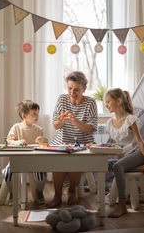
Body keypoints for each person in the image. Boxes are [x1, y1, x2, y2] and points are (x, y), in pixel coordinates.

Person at [46, 71, 97, 208]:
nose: (72, 92)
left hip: (82, 141)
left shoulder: (90, 103)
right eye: (69, 88)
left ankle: (71, 191)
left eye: (76, 89)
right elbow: (55, 126)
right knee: (57, 159)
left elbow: (91, 129)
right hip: (62, 140)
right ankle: (57, 196)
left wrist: (75, 121)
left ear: (84, 89)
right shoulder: (62, 99)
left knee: (75, 158)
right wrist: (61, 121)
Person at [104, 88, 144, 218]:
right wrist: (117, 160)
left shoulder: (130, 119)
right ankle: (140, 169)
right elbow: (117, 147)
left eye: (108, 101)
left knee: (117, 166)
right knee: (105, 164)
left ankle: (121, 204)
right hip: (125, 156)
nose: (106, 105)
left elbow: (140, 141)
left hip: (137, 153)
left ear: (119, 101)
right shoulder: (110, 123)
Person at [2, 100, 47, 205]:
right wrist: (17, 142)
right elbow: (8, 141)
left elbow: (45, 145)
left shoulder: (39, 129)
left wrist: (42, 141)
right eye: (34, 114)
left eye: (37, 113)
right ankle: (12, 193)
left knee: (42, 174)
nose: (37, 116)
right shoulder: (16, 127)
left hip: (35, 161)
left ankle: (39, 191)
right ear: (24, 116)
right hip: (18, 160)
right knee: (7, 172)